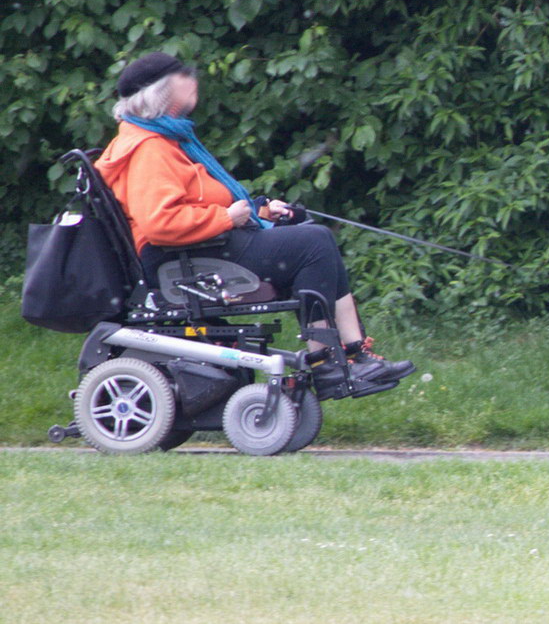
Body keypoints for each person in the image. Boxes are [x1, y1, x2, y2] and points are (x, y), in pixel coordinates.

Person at [95, 51, 415, 398]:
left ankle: (354, 354)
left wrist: (258, 211)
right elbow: (160, 222)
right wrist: (226, 218)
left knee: (311, 236)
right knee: (314, 243)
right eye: (184, 76)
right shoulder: (149, 148)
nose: (194, 80)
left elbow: (194, 201)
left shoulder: (163, 140)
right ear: (160, 93)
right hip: (181, 259)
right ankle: (326, 363)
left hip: (203, 245)